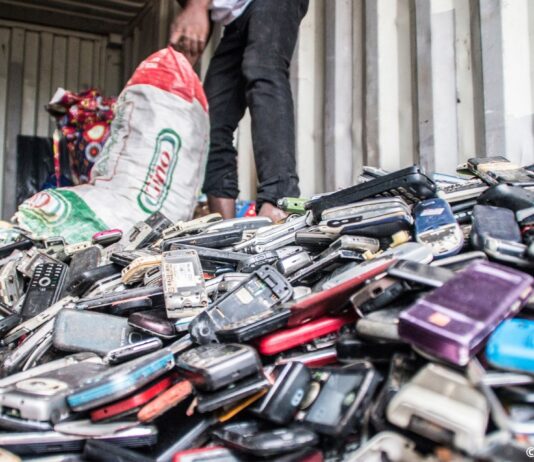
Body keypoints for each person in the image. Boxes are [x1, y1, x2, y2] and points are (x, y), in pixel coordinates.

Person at [170, 0, 309, 222]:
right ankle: (223, 224)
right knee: (210, 116)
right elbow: (201, 23)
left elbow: (198, 8)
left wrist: (196, 7)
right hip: (235, 19)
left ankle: (279, 204)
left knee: (263, 69)